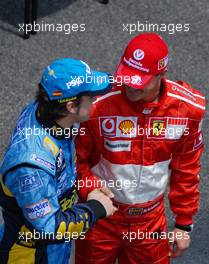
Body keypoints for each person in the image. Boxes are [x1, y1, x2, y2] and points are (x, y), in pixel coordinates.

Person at [75, 33, 206, 264]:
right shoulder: (97, 105)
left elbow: (186, 168)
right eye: (127, 76)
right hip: (100, 216)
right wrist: (91, 190)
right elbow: (75, 158)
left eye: (139, 81)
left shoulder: (188, 110)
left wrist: (184, 223)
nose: (130, 86)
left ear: (161, 74)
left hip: (150, 223)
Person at [0, 58, 117, 264]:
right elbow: (48, 228)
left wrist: (87, 189)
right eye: (90, 96)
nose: (95, 100)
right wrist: (95, 208)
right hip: (31, 254)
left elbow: (63, 170)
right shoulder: (31, 167)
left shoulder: (50, 114)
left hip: (57, 244)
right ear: (71, 106)